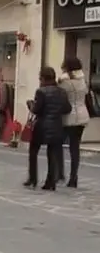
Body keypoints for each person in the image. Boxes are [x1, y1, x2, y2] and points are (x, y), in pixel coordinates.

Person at [24, 67, 71, 191]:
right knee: (52, 154)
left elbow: (36, 110)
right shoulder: (62, 92)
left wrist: (30, 104)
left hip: (42, 126)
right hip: (56, 126)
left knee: (33, 151)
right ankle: (50, 182)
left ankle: (33, 178)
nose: (40, 80)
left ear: (43, 78)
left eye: (40, 78)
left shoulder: (41, 91)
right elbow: (68, 109)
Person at [57, 57, 90, 188]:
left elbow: (60, 97)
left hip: (68, 117)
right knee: (75, 148)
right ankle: (73, 177)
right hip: (82, 116)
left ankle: (59, 173)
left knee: (57, 144)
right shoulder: (83, 81)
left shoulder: (63, 82)